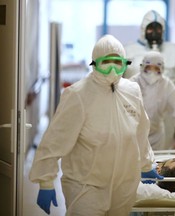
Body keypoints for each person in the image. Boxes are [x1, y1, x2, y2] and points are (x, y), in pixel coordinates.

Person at [29, 34, 163, 216]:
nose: (113, 69)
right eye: (106, 63)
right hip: (85, 186)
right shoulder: (78, 94)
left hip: (123, 185)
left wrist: (146, 165)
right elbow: (55, 140)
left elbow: (140, 132)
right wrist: (45, 180)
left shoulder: (132, 91)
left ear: (125, 64)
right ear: (94, 63)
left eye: (118, 63)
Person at [130, 51, 175, 156]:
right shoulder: (132, 83)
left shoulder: (167, 86)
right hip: (133, 135)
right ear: (142, 67)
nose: (152, 72)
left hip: (156, 138)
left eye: (156, 68)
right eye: (148, 68)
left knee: (155, 166)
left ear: (162, 69)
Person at [124, 10, 175, 91]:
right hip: (134, 101)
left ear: (163, 30)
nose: (154, 33)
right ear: (143, 30)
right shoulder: (128, 51)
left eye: (158, 29)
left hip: (167, 102)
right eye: (150, 29)